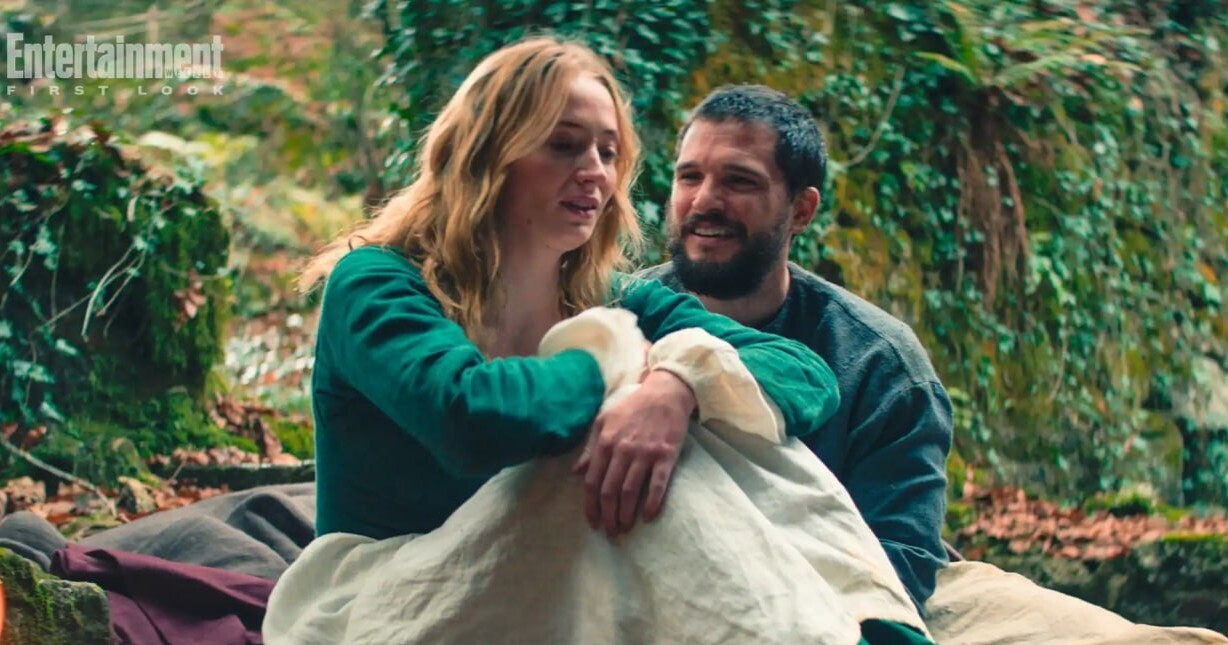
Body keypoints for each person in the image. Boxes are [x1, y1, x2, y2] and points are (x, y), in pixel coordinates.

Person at [265, 38, 934, 644]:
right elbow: (468, 417)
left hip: (547, 583)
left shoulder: (609, 295)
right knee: (613, 447)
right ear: (488, 152)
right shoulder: (377, 282)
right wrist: (618, 367)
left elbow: (802, 370)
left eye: (608, 152)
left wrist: (674, 387)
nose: (596, 172)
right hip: (392, 593)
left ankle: (847, 623)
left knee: (691, 407)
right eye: (564, 145)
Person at [638, 84, 954, 615]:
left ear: (801, 210)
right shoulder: (613, 314)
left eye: (739, 181)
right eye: (689, 176)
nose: (704, 201)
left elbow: (900, 566)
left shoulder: (880, 368)